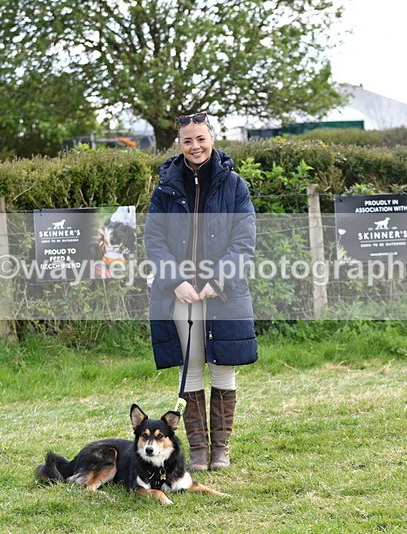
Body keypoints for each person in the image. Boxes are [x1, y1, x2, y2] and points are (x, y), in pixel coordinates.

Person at [144, 112, 258, 471]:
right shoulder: (164, 187)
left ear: (212, 139)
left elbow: (245, 239)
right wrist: (175, 281)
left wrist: (219, 279)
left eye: (201, 139)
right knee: (191, 368)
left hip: (223, 292)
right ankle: (197, 452)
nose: (195, 146)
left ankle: (221, 449)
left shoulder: (234, 184)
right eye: (187, 141)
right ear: (179, 145)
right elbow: (154, 240)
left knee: (224, 367)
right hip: (180, 294)